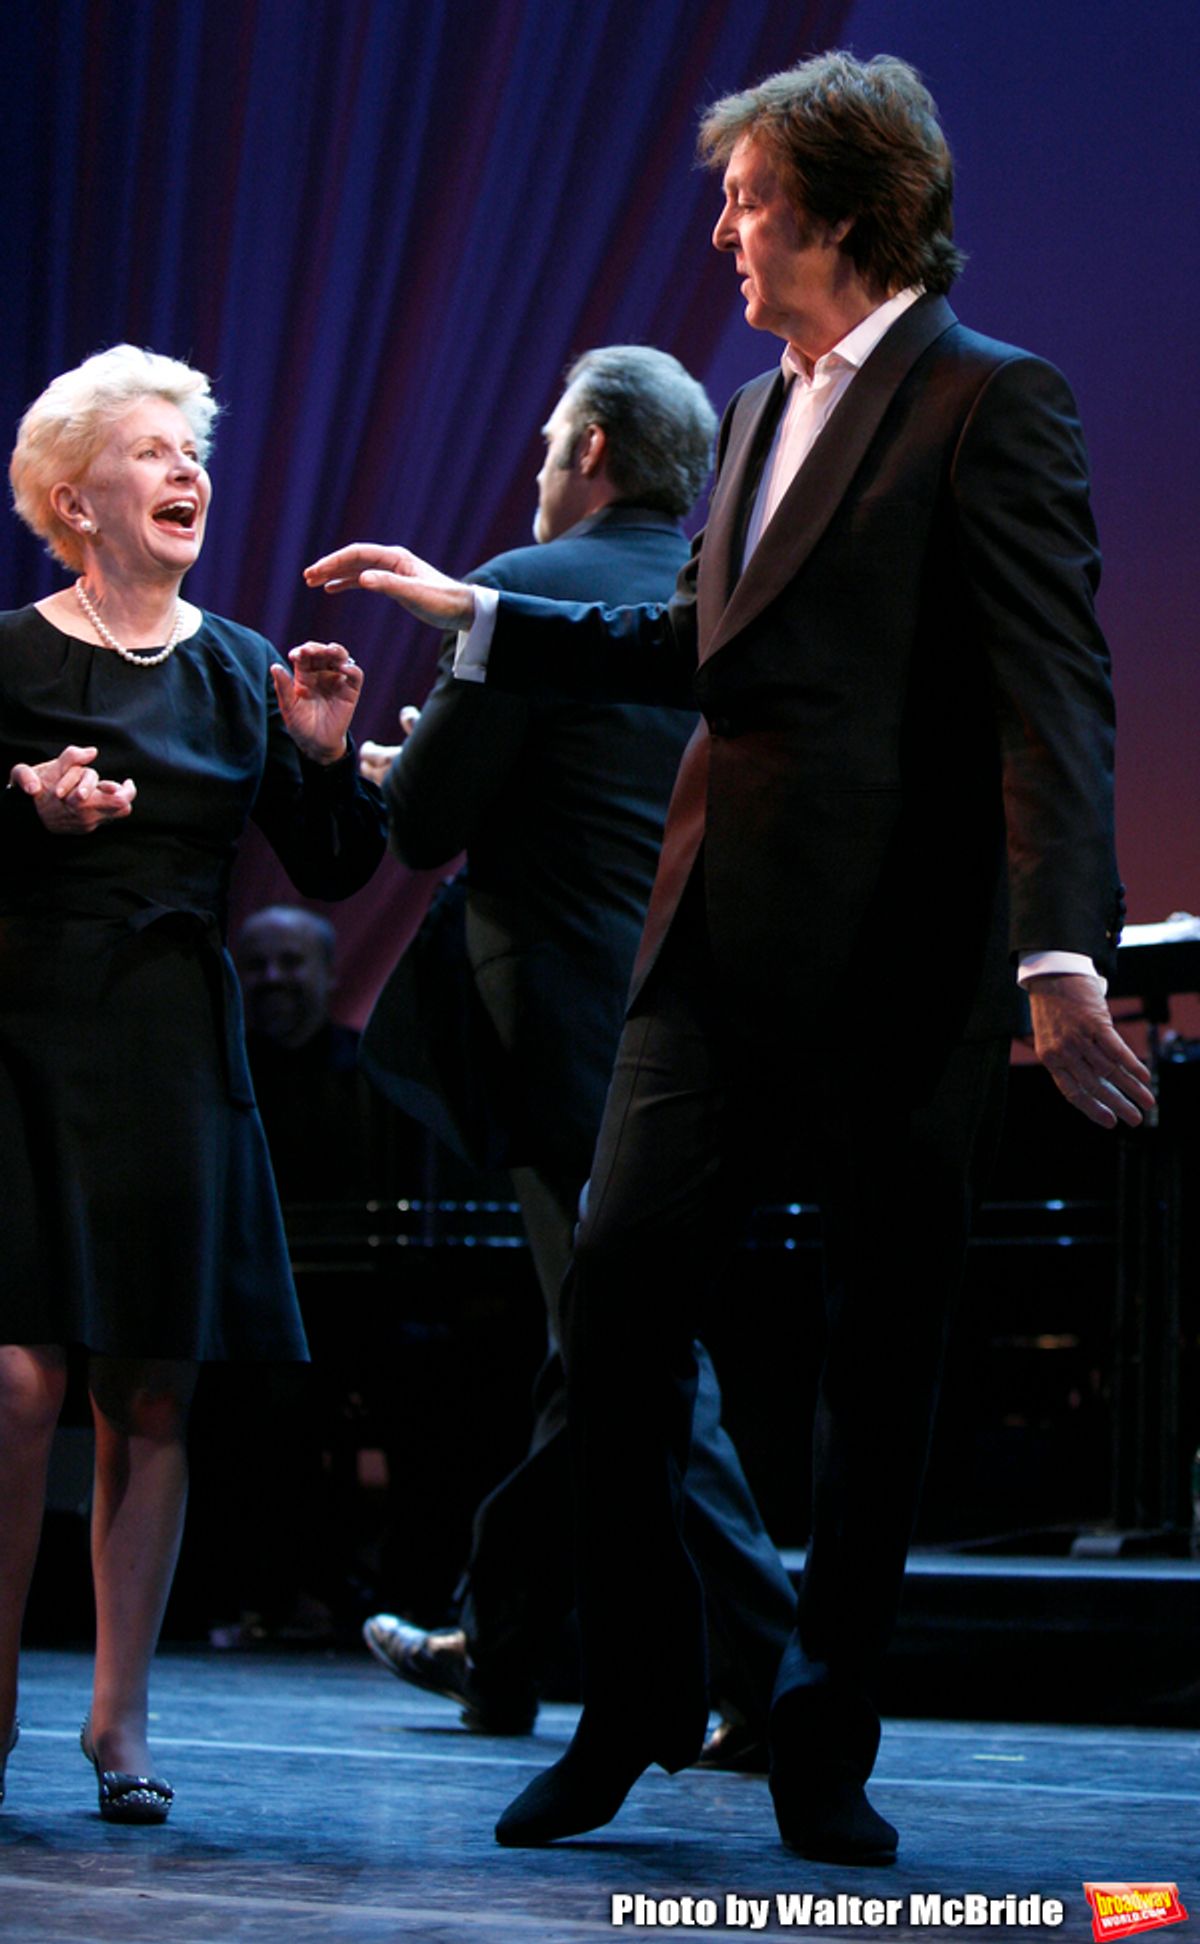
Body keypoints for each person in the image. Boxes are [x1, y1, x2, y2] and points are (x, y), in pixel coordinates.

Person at [305, 51, 1155, 1862]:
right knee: (612, 1296)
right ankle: (630, 1703)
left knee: (878, 1352)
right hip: (705, 954)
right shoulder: (762, 412)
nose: (724, 230)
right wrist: (488, 620)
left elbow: (1052, 697)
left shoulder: (989, 403)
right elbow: (705, 637)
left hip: (899, 962)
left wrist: (1061, 950)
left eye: (751, 198)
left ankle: (822, 1739)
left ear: (844, 211)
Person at [356, 347, 796, 1760]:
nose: (538, 467)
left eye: (551, 442)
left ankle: (773, 1676)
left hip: (558, 1022)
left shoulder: (525, 590)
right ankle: (498, 1646)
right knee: (593, 1347)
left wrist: (396, 764)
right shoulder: (716, 591)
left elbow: (427, 827)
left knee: (638, 1359)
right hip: (697, 1017)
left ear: (593, 450)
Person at [0, 345, 385, 1822]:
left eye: (191, 450)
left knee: (148, 1391)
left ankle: (121, 1723)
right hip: (28, 1041)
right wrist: (26, 809)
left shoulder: (237, 664)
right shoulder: (10, 661)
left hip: (171, 1046)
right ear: (72, 496)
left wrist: (327, 757)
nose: (185, 472)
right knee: (17, 1385)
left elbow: (341, 866)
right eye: (151, 450)